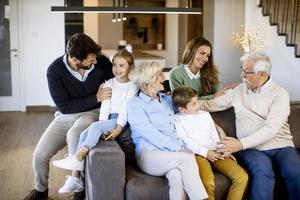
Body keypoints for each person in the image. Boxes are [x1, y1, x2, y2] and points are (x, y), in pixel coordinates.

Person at [24, 33, 114, 200]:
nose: (95, 61)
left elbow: (117, 84)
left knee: (74, 135)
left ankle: (79, 190)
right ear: (75, 59)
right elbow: (64, 107)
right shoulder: (54, 70)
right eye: (90, 59)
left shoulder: (101, 62)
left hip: (93, 112)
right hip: (66, 115)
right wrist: (96, 97)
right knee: (40, 155)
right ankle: (40, 191)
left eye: (95, 58)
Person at [198, 52, 300, 200]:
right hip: (251, 149)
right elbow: (210, 104)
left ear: (262, 74)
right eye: (242, 69)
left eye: (247, 72)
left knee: (295, 170)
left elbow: (271, 129)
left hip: (279, 145)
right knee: (263, 170)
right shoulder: (238, 90)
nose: (242, 75)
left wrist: (240, 144)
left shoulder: (280, 94)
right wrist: (179, 101)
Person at [51, 49, 138, 193]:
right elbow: (106, 104)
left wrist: (118, 127)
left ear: (131, 67)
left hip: (119, 119)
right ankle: (75, 177)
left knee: (95, 128)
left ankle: (78, 157)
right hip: (108, 118)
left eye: (121, 65)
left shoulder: (132, 87)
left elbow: (126, 109)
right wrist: (102, 123)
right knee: (86, 131)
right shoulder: (109, 83)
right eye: (114, 65)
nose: (117, 69)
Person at [127, 62, 208, 200]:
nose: (164, 76)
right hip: (149, 155)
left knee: (177, 176)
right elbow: (151, 134)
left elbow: (189, 105)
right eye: (159, 74)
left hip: (169, 155)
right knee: (187, 158)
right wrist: (178, 148)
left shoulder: (166, 99)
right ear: (148, 82)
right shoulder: (135, 104)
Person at [172, 86, 248, 200]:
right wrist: (206, 152)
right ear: (181, 109)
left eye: (197, 101)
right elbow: (186, 141)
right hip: (197, 154)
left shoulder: (205, 114)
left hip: (215, 151)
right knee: (207, 182)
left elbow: (214, 135)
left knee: (241, 177)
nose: (198, 105)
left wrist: (223, 149)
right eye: (193, 104)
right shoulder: (177, 120)